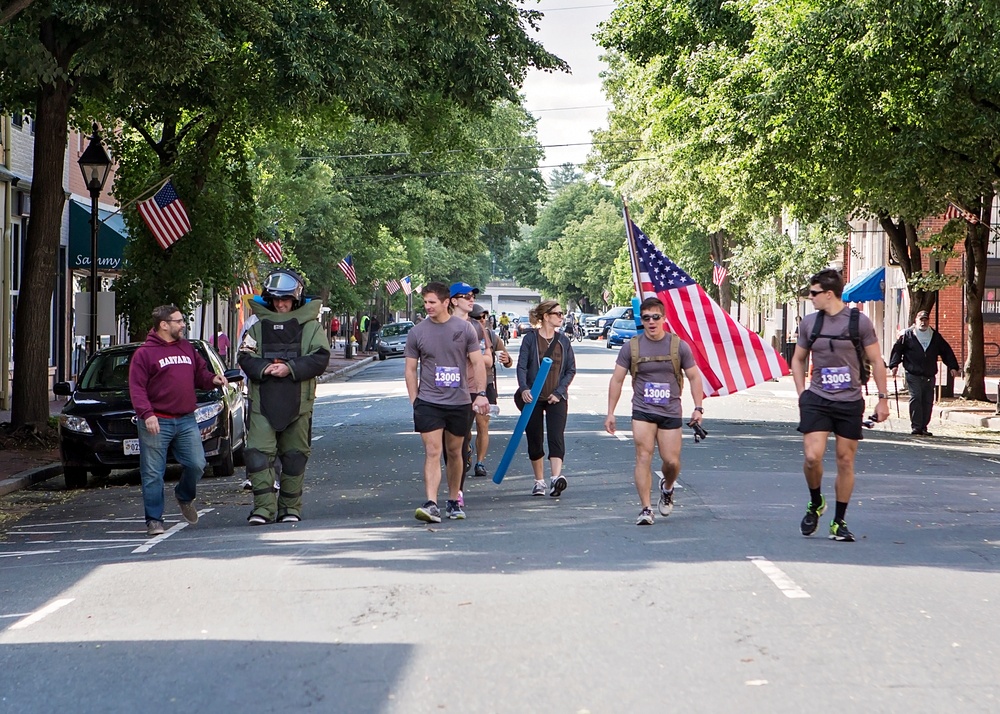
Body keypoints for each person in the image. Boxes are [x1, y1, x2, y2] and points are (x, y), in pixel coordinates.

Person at [791, 268, 890, 543]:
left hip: (849, 400)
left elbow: (877, 360)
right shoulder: (810, 324)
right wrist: (802, 393)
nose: (810, 298)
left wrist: (883, 399)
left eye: (813, 293)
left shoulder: (860, 322)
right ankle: (815, 501)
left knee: (845, 460)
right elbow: (798, 359)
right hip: (818, 398)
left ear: (829, 294)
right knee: (812, 457)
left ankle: (838, 521)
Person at [238, 269, 330, 525]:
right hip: (262, 400)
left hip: (299, 402)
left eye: (286, 300)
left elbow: (320, 358)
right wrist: (264, 368)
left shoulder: (311, 327)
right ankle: (263, 510)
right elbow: (245, 357)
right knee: (257, 455)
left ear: (296, 299)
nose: (280, 305)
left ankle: (290, 508)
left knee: (294, 456)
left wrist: (289, 368)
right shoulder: (256, 327)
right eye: (276, 299)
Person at [604, 297, 704, 526]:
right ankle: (646, 508)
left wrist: (698, 408)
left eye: (655, 317)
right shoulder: (632, 347)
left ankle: (667, 487)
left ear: (664, 319)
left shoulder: (679, 346)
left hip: (670, 410)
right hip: (642, 410)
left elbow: (694, 376)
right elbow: (617, 380)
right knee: (643, 456)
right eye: (646, 318)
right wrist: (611, 412)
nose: (651, 322)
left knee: (671, 462)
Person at [129, 305, 227, 536]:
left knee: (197, 463)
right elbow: (137, 388)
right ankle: (154, 520)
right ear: (164, 325)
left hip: (185, 419)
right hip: (156, 421)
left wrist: (213, 379)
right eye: (179, 321)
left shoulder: (187, 348)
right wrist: (147, 414)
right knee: (153, 472)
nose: (183, 325)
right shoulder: (145, 354)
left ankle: (184, 496)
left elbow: (200, 375)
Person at [404, 282, 489, 523]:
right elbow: (410, 370)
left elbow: (477, 362)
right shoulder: (417, 332)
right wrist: (415, 400)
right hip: (429, 401)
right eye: (425, 302)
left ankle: (453, 500)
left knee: (454, 451)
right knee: (433, 451)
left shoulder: (465, 329)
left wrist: (480, 393)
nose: (427, 306)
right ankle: (431, 503)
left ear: (446, 302)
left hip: (458, 401)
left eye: (432, 302)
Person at [516, 300, 577, 497]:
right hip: (533, 397)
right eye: (558, 314)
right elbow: (522, 366)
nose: (561, 317)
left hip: (556, 397)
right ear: (545, 316)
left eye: (561, 314)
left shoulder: (563, 341)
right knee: (535, 437)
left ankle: (555, 479)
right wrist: (524, 388)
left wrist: (559, 391)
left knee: (556, 437)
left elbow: (570, 369)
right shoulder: (530, 339)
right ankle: (539, 481)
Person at [446, 283, 492, 503]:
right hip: (445, 390)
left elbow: (488, 359)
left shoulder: (476, 327)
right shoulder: (440, 324)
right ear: (453, 300)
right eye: (466, 296)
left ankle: (458, 493)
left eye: (473, 295)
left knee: (462, 442)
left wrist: (470, 354)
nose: (471, 299)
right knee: (448, 445)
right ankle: (453, 486)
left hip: (472, 388)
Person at [889, 310, 961, 436]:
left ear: (928, 321)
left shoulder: (935, 336)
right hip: (913, 373)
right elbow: (897, 350)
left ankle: (924, 427)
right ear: (915, 321)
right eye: (921, 320)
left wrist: (953, 367)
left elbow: (946, 351)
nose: (923, 322)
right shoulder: (907, 335)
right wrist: (894, 365)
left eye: (925, 320)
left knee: (927, 400)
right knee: (916, 397)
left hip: (929, 373)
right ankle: (916, 426)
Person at [471, 302, 512, 480]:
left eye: (484, 317)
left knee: (483, 425)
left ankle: (480, 462)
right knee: (462, 428)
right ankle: (465, 450)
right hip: (463, 386)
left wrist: (506, 359)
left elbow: (508, 360)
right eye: (479, 317)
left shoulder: (491, 336)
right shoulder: (458, 334)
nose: (483, 320)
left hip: (485, 384)